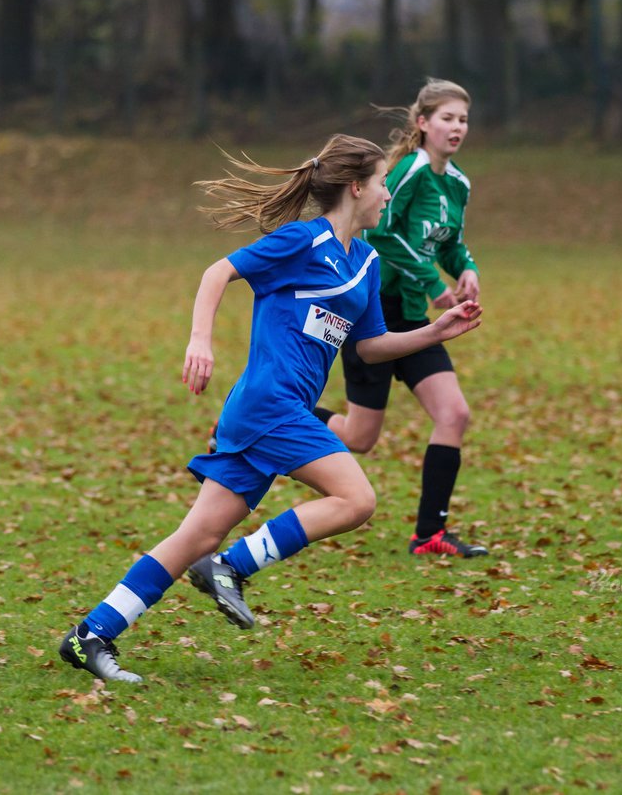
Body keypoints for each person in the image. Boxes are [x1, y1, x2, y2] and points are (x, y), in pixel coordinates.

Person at [59, 134, 483, 683]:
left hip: (271, 413)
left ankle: (91, 634)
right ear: (356, 188)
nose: (386, 195)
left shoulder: (367, 261)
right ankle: (231, 568)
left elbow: (368, 346)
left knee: (196, 536)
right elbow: (218, 273)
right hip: (270, 406)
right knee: (356, 499)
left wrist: (434, 331)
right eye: (381, 183)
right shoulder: (302, 243)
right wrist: (200, 341)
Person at [313, 79, 488, 559]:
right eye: (448, 118)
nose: (457, 127)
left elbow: (448, 242)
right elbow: (384, 235)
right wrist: (436, 285)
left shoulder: (458, 182)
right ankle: (252, 421)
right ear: (423, 123)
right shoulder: (407, 172)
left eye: (463, 119)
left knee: (454, 414)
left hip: (417, 321)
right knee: (359, 438)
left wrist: (466, 269)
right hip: (377, 312)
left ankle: (429, 534)